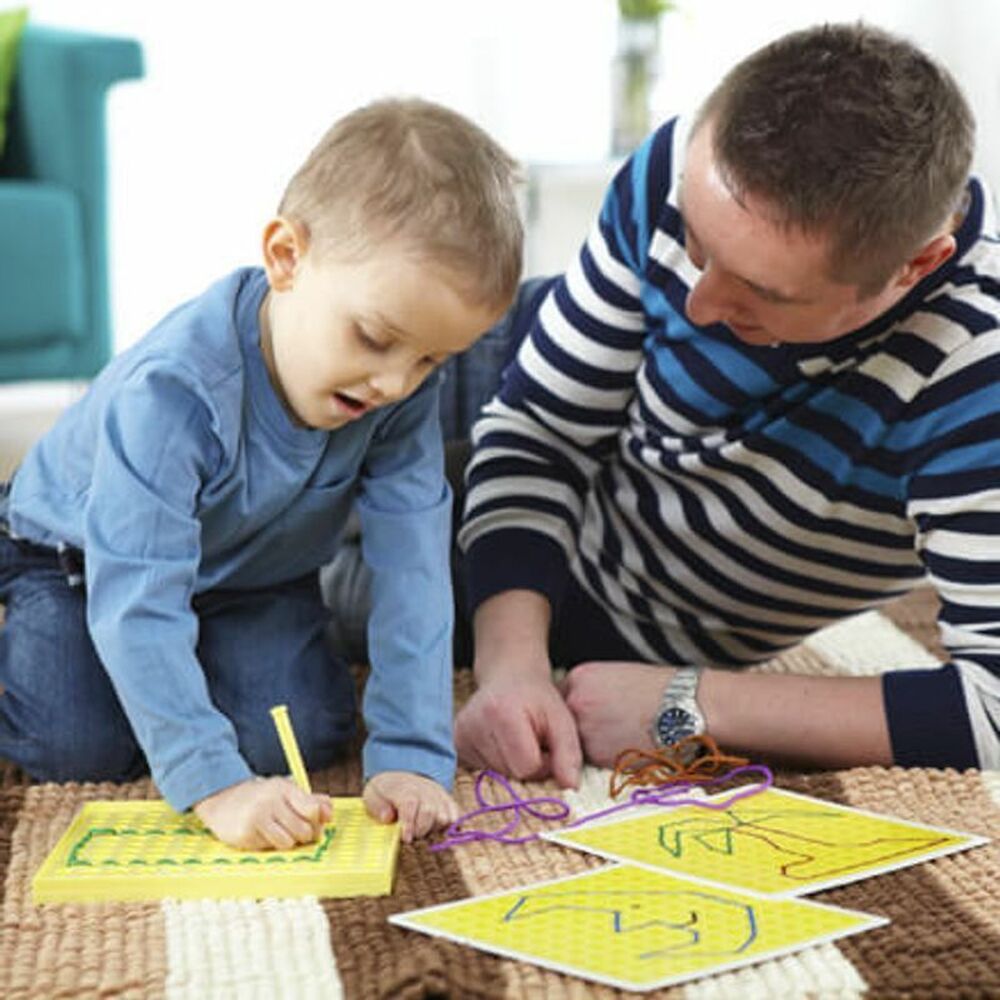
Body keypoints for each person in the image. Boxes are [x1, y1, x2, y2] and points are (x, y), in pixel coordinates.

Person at [452, 22, 1000, 787]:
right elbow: (540, 434)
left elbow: (993, 707)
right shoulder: (687, 164)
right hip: (477, 371)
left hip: (602, 593)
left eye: (760, 291)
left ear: (915, 266)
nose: (697, 303)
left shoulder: (978, 374)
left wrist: (690, 702)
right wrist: (511, 667)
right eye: (697, 242)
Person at [0, 98, 522, 847]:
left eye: (431, 359)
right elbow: (138, 591)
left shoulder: (399, 395)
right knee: (74, 745)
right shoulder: (174, 392)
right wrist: (214, 785)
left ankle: (176, 674)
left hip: (248, 574)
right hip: (78, 561)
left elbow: (413, 572)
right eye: (374, 338)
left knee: (301, 732)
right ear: (285, 257)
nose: (395, 384)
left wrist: (412, 754)